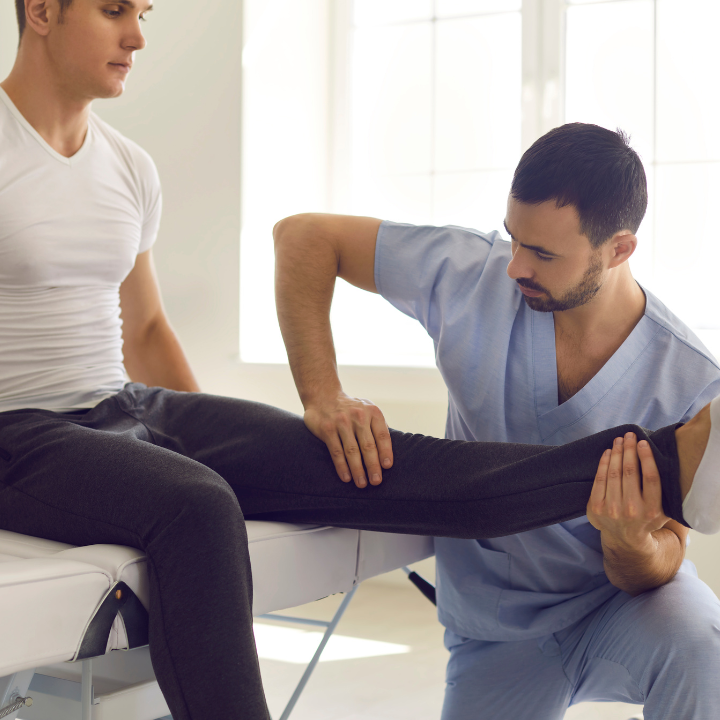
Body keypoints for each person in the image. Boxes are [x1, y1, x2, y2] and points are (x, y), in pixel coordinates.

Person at [2, 2, 719, 720]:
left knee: (390, 463)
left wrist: (213, 443)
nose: (137, 34)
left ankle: (673, 462)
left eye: (143, 13)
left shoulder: (127, 165)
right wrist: (211, 467)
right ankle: (671, 462)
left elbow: (147, 324)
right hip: (18, 426)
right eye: (113, 9)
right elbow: (304, 241)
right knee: (197, 505)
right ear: (40, 11)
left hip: (124, 402)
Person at [273, 128, 720, 717]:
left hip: (620, 610)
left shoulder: (689, 381)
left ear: (618, 249)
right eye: (514, 239)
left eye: (543, 254)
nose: (515, 267)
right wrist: (322, 394)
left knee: (704, 648)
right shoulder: (469, 273)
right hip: (494, 630)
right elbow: (302, 236)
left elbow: (662, 561)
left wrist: (630, 541)